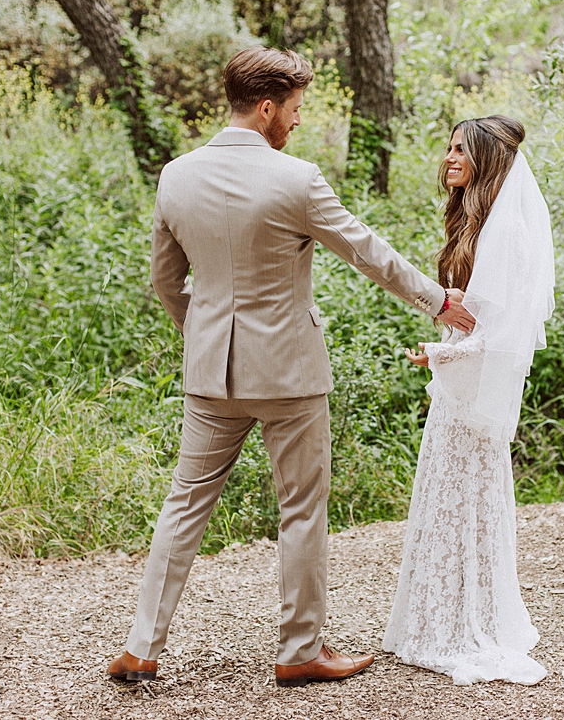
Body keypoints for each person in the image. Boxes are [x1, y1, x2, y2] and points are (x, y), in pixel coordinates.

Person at [107, 46, 475, 688]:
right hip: (289, 376)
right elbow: (367, 252)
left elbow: (167, 283)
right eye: (296, 109)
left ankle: (141, 646)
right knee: (301, 506)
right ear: (268, 106)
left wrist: (203, 336)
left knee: (184, 504)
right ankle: (300, 651)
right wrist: (439, 301)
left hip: (209, 378)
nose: (299, 122)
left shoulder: (175, 176)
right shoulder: (295, 179)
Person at [382, 116, 555, 686]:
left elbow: (501, 330)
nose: (450, 156)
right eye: (449, 146)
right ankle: (439, 620)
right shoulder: (474, 223)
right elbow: (475, 311)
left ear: (487, 159)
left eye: (461, 149)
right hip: (458, 389)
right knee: (449, 500)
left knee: (467, 500)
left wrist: (440, 350)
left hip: (470, 388)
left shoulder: (506, 231)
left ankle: (466, 625)